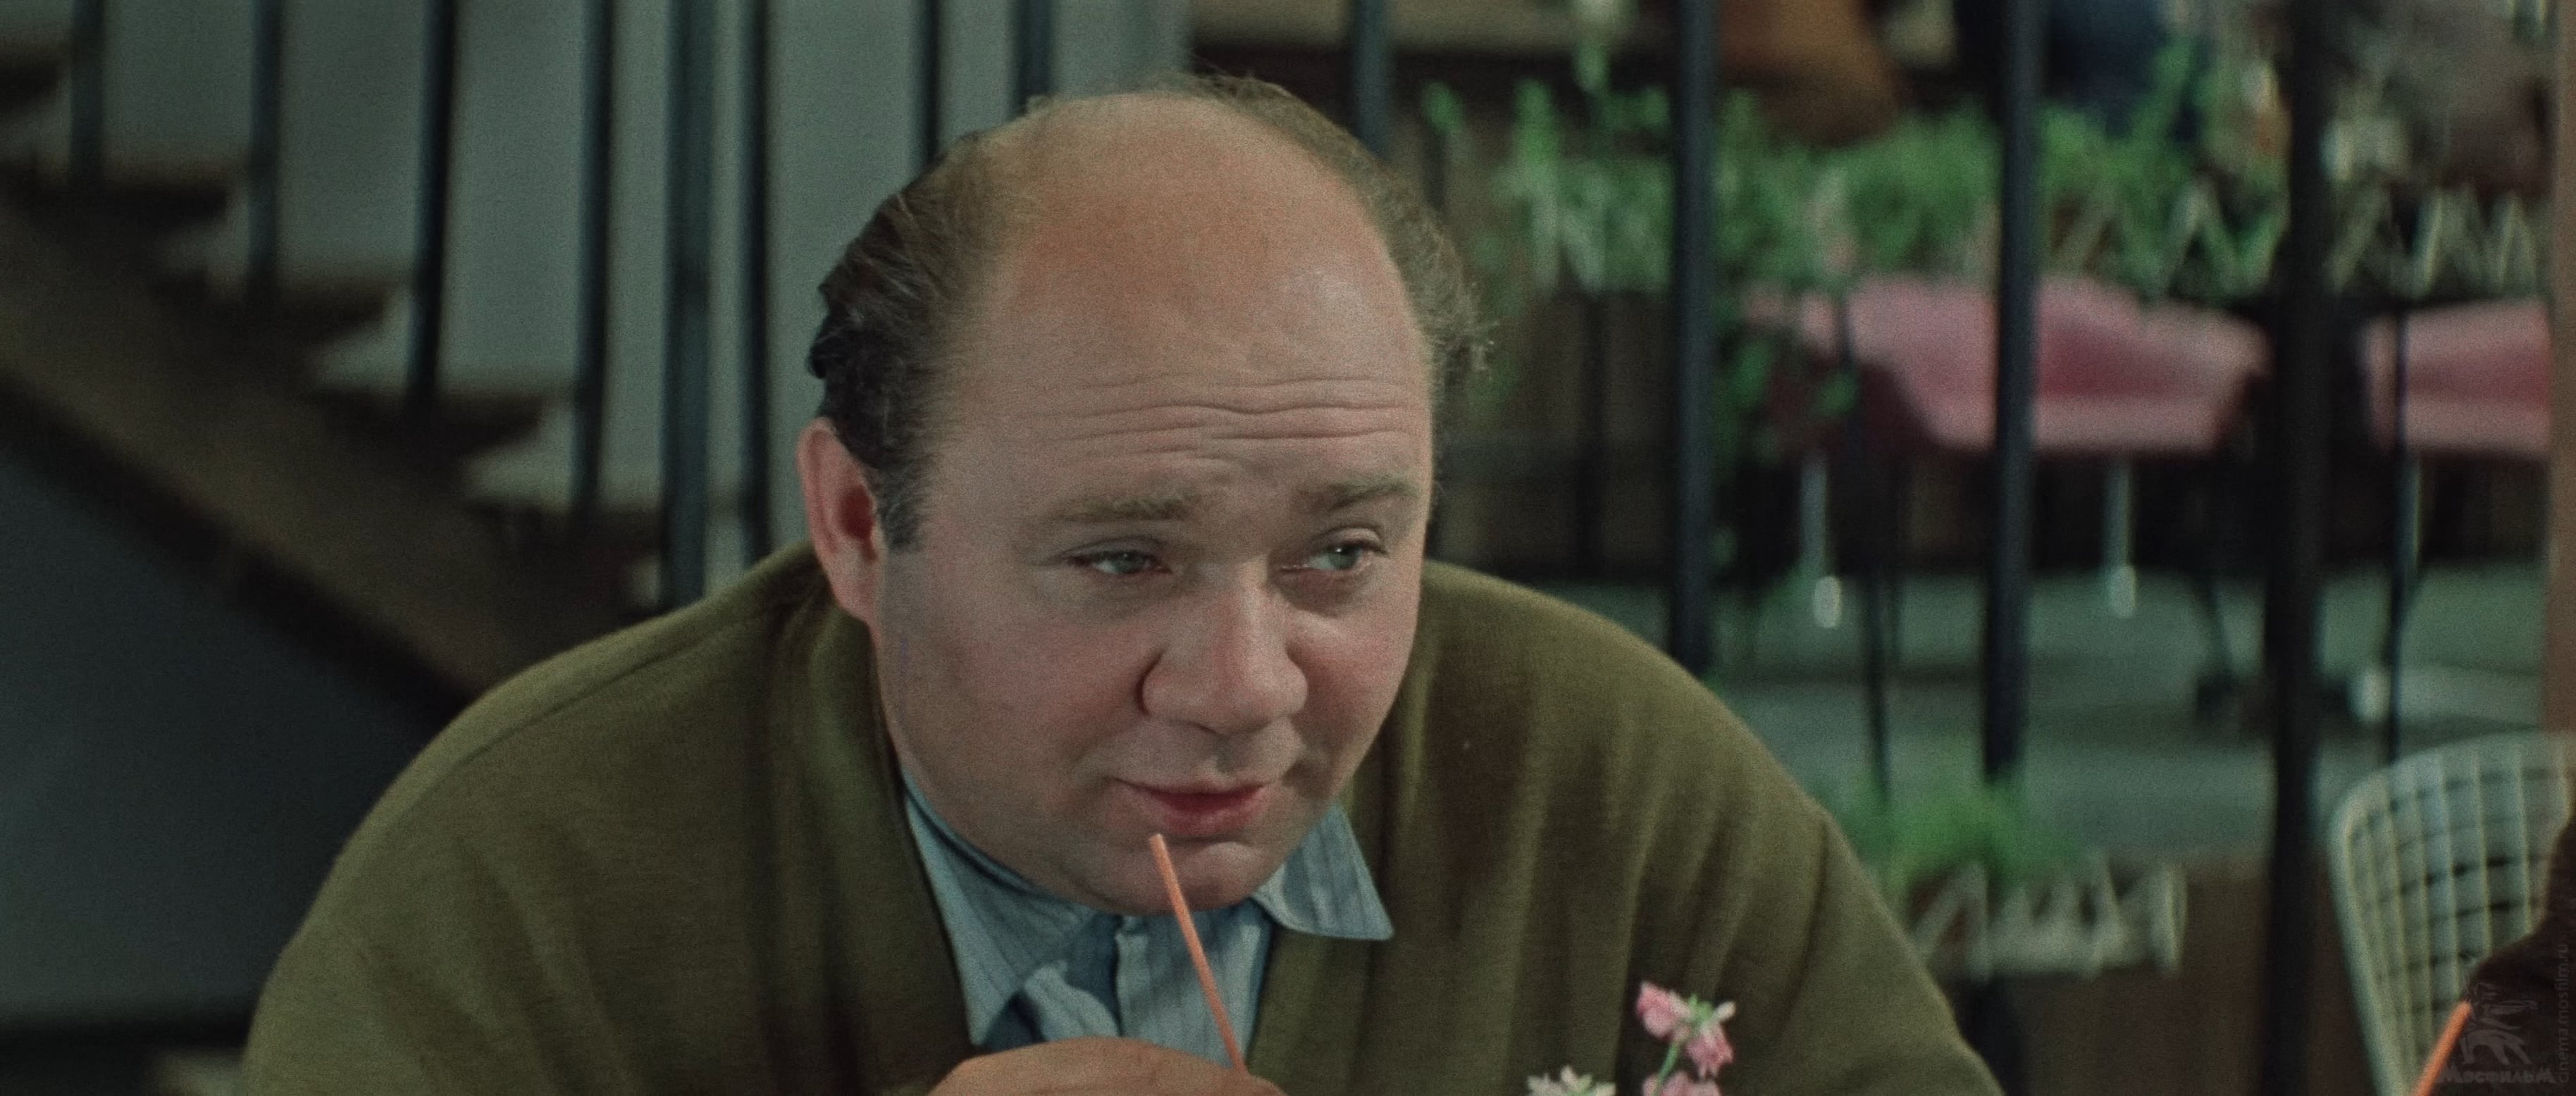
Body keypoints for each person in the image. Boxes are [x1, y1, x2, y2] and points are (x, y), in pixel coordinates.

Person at [243, 75, 1998, 1095]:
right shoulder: (525, 874)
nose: (1240, 685)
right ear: (857, 525)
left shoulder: (1615, 789)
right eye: (1118, 558)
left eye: (1340, 555)